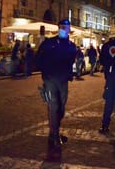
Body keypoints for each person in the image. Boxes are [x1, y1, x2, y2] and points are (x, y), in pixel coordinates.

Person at [35, 19, 77, 149]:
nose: (64, 29)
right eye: (62, 27)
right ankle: (55, 137)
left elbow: (72, 61)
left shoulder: (71, 45)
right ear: (58, 28)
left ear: (69, 29)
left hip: (63, 80)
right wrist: (45, 73)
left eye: (66, 27)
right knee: (53, 107)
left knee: (61, 108)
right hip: (50, 79)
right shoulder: (49, 43)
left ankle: (53, 132)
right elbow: (39, 58)